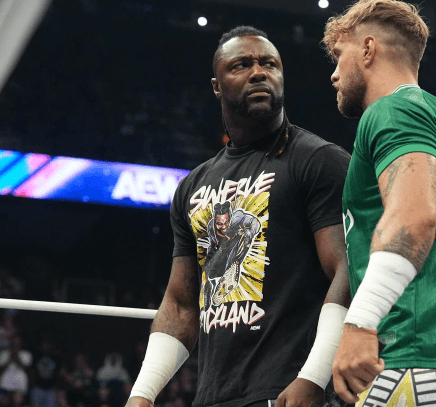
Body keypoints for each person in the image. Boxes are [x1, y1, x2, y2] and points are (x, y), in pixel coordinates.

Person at [126, 26, 351, 407]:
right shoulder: (193, 185)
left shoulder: (318, 160)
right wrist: (142, 395)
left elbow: (348, 268)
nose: (259, 72)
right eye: (241, 65)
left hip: (289, 390)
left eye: (269, 64)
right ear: (217, 86)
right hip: (213, 396)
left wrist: (314, 377)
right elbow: (181, 304)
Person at [323, 0, 436, 406]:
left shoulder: (393, 110)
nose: (334, 74)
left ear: (367, 49)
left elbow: (414, 216)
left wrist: (360, 323)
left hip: (414, 356)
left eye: (339, 55)